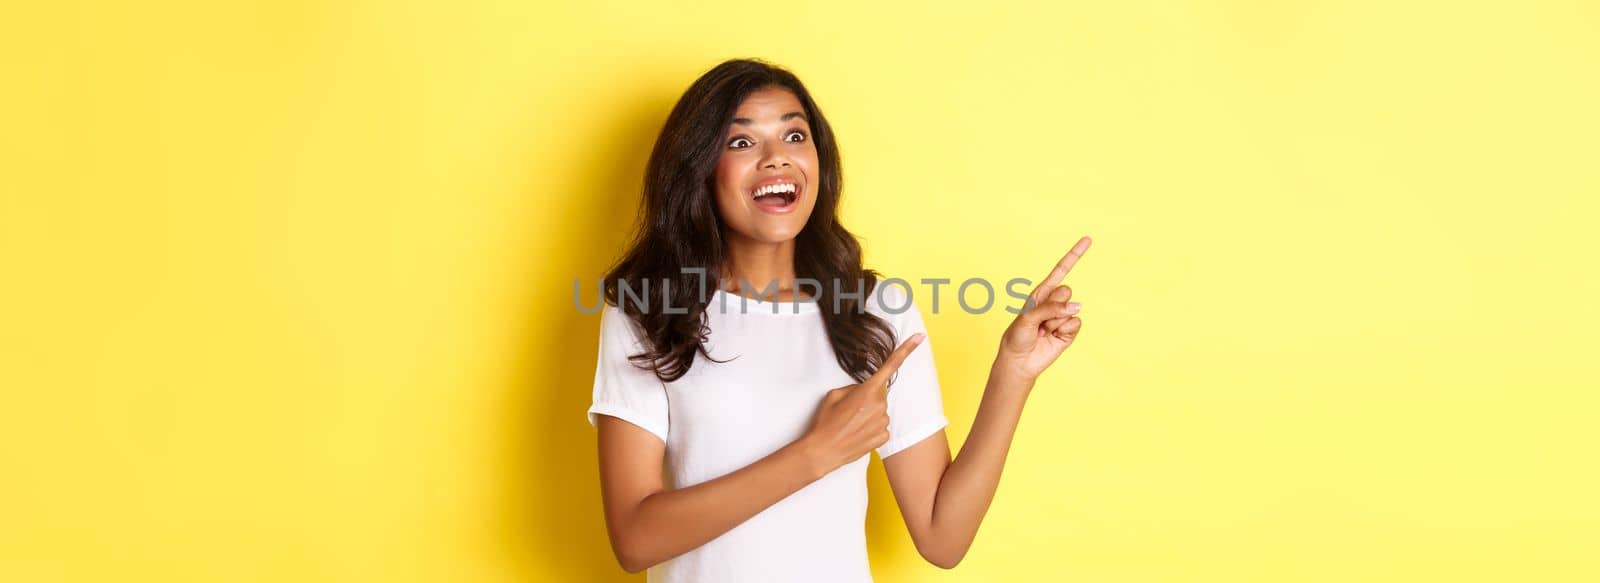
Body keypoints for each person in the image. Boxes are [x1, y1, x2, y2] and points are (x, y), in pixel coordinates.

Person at [585, 58, 1091, 582]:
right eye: (741, 142)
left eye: (794, 135)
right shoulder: (648, 311)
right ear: (700, 171)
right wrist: (815, 453)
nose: (776, 158)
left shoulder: (878, 311)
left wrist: (1014, 373)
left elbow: (944, 537)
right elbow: (634, 539)